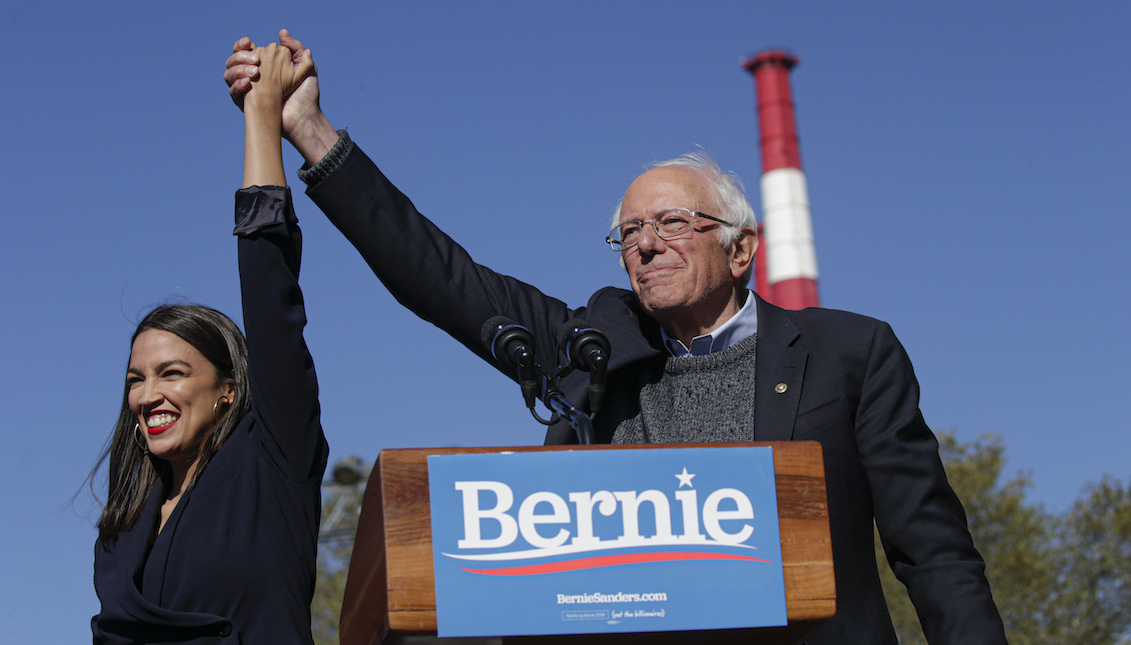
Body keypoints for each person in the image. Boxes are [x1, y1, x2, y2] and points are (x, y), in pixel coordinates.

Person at [225, 33, 1007, 644]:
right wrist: (306, 128)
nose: (645, 243)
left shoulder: (850, 354)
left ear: (741, 248)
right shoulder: (590, 352)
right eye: (628, 230)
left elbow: (932, 550)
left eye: (673, 222)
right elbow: (437, 272)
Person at [91, 43, 328, 644]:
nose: (147, 396)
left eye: (171, 373)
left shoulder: (271, 464)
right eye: (135, 380)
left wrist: (262, 117)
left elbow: (271, 289)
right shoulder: (122, 531)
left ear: (228, 391)